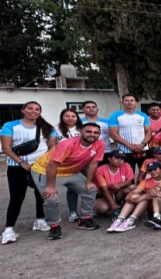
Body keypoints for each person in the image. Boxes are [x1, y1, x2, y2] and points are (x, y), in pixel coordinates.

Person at [28, 122, 104, 240]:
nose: (92, 135)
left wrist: (89, 181)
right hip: (44, 170)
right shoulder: (68, 144)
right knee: (51, 197)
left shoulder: (99, 144)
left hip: (70, 171)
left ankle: (85, 219)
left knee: (90, 189)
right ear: (81, 132)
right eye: (88, 131)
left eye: (96, 132)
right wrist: (51, 186)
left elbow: (93, 164)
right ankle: (54, 226)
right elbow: (52, 165)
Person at [2, 102, 56, 243]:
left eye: (37, 109)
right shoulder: (10, 126)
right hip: (17, 167)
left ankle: (40, 220)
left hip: (39, 167)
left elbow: (52, 145)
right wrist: (22, 163)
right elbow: (6, 148)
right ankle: (9, 229)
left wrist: (44, 161)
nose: (34, 111)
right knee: (17, 197)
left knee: (41, 195)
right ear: (23, 110)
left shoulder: (46, 127)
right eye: (30, 108)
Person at [107, 161, 161, 233]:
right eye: (150, 170)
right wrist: (131, 196)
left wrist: (141, 197)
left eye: (155, 169)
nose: (153, 172)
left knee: (147, 197)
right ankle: (120, 220)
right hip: (148, 205)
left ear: (160, 169)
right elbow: (134, 192)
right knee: (135, 197)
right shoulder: (146, 181)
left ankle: (130, 221)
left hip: (160, 205)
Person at [107, 94, 152, 171]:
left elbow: (149, 132)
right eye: (127, 100)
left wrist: (142, 145)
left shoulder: (143, 115)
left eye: (132, 100)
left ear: (136, 103)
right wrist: (129, 145)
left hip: (143, 150)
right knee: (128, 175)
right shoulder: (115, 116)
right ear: (122, 103)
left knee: (145, 174)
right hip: (125, 151)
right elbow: (113, 134)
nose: (129, 102)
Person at [94, 151, 135, 216]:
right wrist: (113, 204)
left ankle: (121, 205)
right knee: (103, 208)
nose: (119, 160)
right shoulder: (100, 170)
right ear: (109, 158)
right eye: (117, 158)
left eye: (122, 159)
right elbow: (104, 190)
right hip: (104, 194)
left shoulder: (126, 165)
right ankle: (114, 207)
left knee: (133, 187)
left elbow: (130, 180)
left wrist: (120, 185)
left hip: (119, 192)